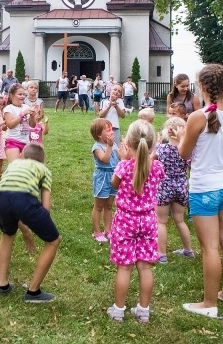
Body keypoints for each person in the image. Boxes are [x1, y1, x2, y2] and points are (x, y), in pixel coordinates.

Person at [176, 63, 223, 317]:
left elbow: (184, 153)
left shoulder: (198, 116)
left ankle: (209, 303)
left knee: (211, 248)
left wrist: (182, 135)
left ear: (202, 86)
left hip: (205, 188)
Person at [107, 120, 165, 323]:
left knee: (124, 267)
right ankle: (143, 310)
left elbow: (114, 184)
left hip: (125, 221)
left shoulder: (123, 167)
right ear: (152, 145)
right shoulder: (157, 167)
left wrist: (123, 159)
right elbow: (156, 175)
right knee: (145, 267)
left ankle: (118, 310)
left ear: (128, 145)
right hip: (148, 221)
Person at [0, 143, 60, 303]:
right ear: (42, 161)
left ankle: (2, 284)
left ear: (22, 155)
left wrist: (25, 231)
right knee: (53, 241)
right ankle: (33, 291)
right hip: (23, 200)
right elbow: (45, 206)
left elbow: (12, 198)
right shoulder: (44, 170)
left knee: (7, 234)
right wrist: (42, 226)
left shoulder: (14, 164)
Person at [155, 117, 194, 263]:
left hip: (164, 187)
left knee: (161, 222)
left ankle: (162, 254)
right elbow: (191, 166)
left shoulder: (161, 149)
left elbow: (151, 160)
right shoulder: (186, 151)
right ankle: (188, 250)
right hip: (181, 186)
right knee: (180, 220)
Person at [90, 118, 118, 243]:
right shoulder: (97, 146)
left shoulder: (114, 144)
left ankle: (108, 230)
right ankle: (97, 232)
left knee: (109, 206)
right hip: (102, 177)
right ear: (99, 135)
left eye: (112, 129)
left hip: (114, 176)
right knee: (99, 206)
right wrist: (110, 147)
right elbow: (105, 159)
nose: (112, 132)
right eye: (108, 130)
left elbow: (121, 158)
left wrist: (125, 150)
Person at [2, 84, 37, 164]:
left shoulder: (26, 107)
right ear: (11, 95)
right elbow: (10, 125)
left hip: (26, 142)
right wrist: (22, 114)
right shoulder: (9, 108)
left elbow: (32, 125)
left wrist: (32, 116)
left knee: (24, 170)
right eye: (20, 94)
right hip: (12, 141)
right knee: (15, 168)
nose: (22, 96)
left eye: (24, 94)